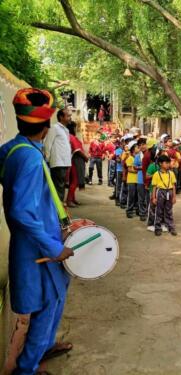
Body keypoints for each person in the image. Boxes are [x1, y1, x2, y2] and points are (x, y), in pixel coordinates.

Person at [0, 88, 74, 374]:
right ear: (45, 128)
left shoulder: (14, 149)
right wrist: (55, 248)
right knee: (48, 302)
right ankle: (28, 368)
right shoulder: (31, 159)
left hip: (30, 244)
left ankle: (42, 349)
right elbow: (21, 211)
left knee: (50, 297)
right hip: (37, 248)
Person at [43, 108, 72, 202]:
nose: (70, 118)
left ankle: (59, 210)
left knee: (61, 187)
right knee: (58, 188)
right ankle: (58, 212)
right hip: (57, 163)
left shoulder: (65, 130)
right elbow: (47, 144)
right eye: (68, 116)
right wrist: (47, 160)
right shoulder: (54, 128)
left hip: (64, 163)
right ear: (61, 117)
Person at [151, 154, 177, 236]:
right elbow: (154, 187)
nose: (168, 164)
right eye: (166, 163)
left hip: (169, 192)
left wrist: (174, 197)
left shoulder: (171, 173)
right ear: (160, 164)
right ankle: (158, 228)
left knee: (169, 210)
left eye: (169, 163)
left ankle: (171, 227)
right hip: (160, 192)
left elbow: (173, 186)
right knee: (159, 210)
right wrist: (154, 197)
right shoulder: (156, 174)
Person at [66, 121, 88, 207]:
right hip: (76, 160)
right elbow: (77, 150)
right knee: (75, 181)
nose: (76, 129)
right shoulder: (71, 137)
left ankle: (72, 199)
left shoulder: (68, 136)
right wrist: (85, 157)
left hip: (72, 160)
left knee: (72, 181)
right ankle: (69, 201)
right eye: (75, 128)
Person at [125, 142, 139, 218]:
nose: (138, 149)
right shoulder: (130, 158)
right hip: (131, 180)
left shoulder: (138, 157)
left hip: (137, 180)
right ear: (133, 149)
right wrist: (139, 171)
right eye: (137, 147)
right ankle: (129, 210)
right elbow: (129, 169)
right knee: (131, 196)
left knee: (137, 196)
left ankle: (137, 210)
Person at [135, 138, 148, 221]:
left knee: (149, 197)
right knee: (141, 197)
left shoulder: (150, 154)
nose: (142, 146)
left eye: (143, 144)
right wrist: (143, 167)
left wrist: (142, 167)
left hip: (149, 179)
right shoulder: (137, 156)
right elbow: (135, 167)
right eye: (140, 145)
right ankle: (142, 213)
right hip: (140, 179)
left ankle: (149, 212)